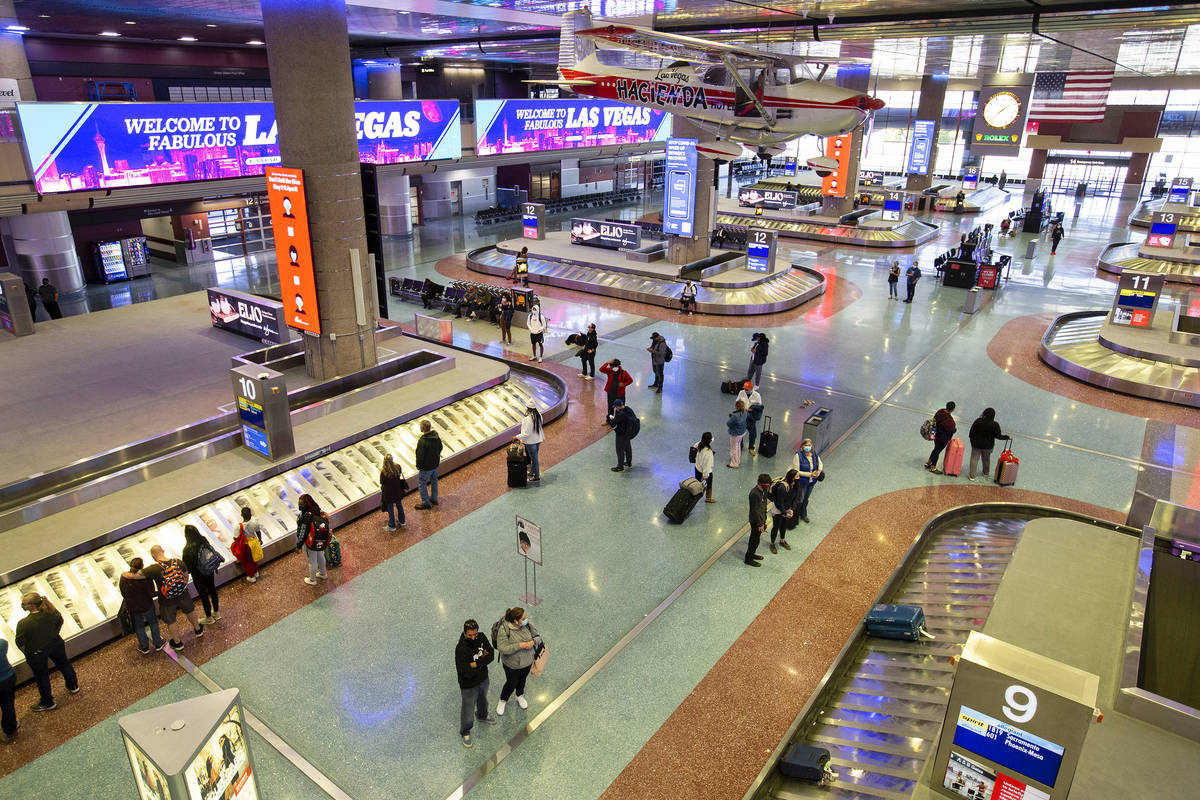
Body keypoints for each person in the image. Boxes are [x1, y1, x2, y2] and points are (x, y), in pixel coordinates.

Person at [15, 593, 79, 712]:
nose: (22, 605)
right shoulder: (51, 612)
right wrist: (54, 634)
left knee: (42, 676)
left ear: (32, 606)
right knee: (64, 664)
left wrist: (28, 652)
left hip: (37, 653)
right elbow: (60, 621)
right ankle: (73, 685)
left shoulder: (23, 623)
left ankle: (47, 702)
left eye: (24, 604)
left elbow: (20, 642)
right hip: (55, 644)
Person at [144, 545, 203, 650]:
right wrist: (181, 586)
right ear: (163, 551)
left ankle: (178, 643)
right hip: (182, 594)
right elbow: (186, 575)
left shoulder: (153, 569)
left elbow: (138, 575)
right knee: (190, 611)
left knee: (171, 620)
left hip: (166, 599)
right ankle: (198, 630)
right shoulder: (178, 562)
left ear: (153, 555)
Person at [455, 619, 497, 748]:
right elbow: (466, 672)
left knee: (483, 700)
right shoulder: (461, 649)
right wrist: (482, 661)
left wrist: (476, 664)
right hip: (468, 685)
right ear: (464, 633)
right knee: (468, 708)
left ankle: (482, 715)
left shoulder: (482, 637)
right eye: (470, 635)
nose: (473, 638)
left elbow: (491, 655)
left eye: (475, 634)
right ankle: (465, 731)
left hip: (483, 678)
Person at [494, 607, 540, 716]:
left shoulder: (527, 625)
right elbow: (502, 648)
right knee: (511, 683)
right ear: (515, 621)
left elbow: (538, 637)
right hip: (512, 665)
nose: (526, 619)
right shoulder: (504, 630)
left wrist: (533, 642)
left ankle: (519, 695)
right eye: (523, 618)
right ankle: (503, 700)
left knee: (522, 680)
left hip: (527, 662)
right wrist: (520, 645)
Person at [120, 558, 166, 654]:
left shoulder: (124, 578)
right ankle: (158, 643)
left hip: (133, 607)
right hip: (147, 605)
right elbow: (152, 593)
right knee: (153, 622)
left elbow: (123, 592)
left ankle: (144, 647)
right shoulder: (146, 578)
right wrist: (160, 592)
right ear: (142, 566)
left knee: (139, 626)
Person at [182, 524, 221, 625]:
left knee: (204, 595)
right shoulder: (203, 540)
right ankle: (216, 613)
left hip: (198, 575)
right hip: (209, 570)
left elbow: (186, 566)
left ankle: (209, 618)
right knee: (212, 590)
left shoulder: (187, 549)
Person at [295, 493, 331, 585]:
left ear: (306, 504)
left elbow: (302, 533)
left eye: (301, 504)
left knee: (312, 561)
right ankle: (323, 573)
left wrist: (298, 545)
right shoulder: (317, 511)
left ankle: (312, 580)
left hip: (309, 542)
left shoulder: (306, 517)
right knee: (320, 556)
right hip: (320, 540)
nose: (300, 506)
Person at [968, 407, 1012, 482]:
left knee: (974, 459)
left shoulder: (978, 421)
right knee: (986, 460)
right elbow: (998, 436)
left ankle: (972, 476)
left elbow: (971, 433)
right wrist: (1008, 437)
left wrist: (973, 442)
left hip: (976, 444)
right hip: (988, 446)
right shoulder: (995, 424)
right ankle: (986, 473)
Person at [791, 438, 823, 523]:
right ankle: (794, 516)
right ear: (802, 446)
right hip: (802, 482)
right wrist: (810, 474)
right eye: (806, 445)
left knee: (806, 498)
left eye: (809, 445)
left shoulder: (815, 454)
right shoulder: (798, 456)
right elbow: (796, 471)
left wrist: (819, 471)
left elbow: (820, 463)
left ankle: (803, 514)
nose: (808, 447)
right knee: (799, 499)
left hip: (812, 482)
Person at [768, 470, 800, 553]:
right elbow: (779, 502)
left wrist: (792, 509)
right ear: (792, 478)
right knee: (776, 527)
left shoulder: (796, 485)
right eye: (797, 476)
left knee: (784, 525)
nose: (799, 478)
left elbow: (796, 498)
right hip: (778, 509)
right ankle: (772, 543)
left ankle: (782, 541)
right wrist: (784, 513)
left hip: (787, 508)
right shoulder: (782, 487)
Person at [414, 419, 442, 509]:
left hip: (426, 467)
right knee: (434, 481)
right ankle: (434, 498)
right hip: (435, 464)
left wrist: (418, 466)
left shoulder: (422, 441)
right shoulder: (436, 437)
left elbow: (420, 455)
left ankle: (425, 502)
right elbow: (440, 447)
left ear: (422, 428)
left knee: (422, 483)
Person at [746, 473, 771, 566]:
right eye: (767, 485)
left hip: (761, 519)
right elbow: (754, 511)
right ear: (760, 483)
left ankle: (752, 554)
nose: (768, 487)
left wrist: (764, 520)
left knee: (756, 539)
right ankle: (748, 559)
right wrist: (760, 524)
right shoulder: (754, 494)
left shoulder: (764, 491)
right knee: (754, 540)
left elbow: (764, 506)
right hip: (755, 521)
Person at [925, 401, 957, 473]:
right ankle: (933, 467)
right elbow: (951, 430)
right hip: (942, 438)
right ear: (953, 409)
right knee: (937, 451)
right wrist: (955, 430)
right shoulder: (949, 420)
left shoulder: (940, 411)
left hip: (935, 434)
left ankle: (928, 462)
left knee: (935, 449)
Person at [606, 398, 637, 472]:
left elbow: (612, 424)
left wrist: (610, 418)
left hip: (621, 434)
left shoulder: (620, 414)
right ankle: (629, 463)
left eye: (616, 407)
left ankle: (620, 467)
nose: (615, 408)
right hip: (628, 433)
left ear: (618, 406)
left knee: (620, 450)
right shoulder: (629, 409)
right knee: (628, 448)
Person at [232, 507, 262, 583]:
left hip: (246, 545)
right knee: (254, 558)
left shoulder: (238, 526)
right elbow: (258, 532)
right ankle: (256, 572)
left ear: (242, 515)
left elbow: (235, 538)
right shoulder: (255, 522)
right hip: (254, 542)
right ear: (251, 514)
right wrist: (260, 540)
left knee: (247, 562)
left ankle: (251, 576)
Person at [516, 404, 544, 482]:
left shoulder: (528, 419)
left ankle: (537, 476)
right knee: (534, 457)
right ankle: (532, 472)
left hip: (531, 442)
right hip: (538, 440)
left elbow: (526, 433)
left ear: (528, 409)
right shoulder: (539, 415)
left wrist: (517, 437)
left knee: (534, 459)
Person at [380, 454, 407, 530]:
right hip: (397, 491)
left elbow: (382, 482)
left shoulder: (383, 472)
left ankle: (392, 525)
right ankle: (402, 521)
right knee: (399, 505)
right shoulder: (397, 467)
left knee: (390, 509)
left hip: (388, 494)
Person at [736, 381, 763, 455]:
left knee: (752, 433)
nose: (745, 390)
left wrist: (751, 409)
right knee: (740, 432)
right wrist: (741, 408)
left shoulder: (757, 395)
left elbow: (760, 407)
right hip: (742, 415)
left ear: (751, 388)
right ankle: (739, 446)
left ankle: (751, 448)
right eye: (745, 389)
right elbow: (737, 402)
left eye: (747, 389)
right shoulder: (741, 392)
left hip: (751, 417)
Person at [0, 633, 16, 742]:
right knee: (8, 704)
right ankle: (10, 729)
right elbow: (5, 643)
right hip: (8, 678)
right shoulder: (2, 644)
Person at [693, 431, 716, 503]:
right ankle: (708, 498)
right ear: (709, 440)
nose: (713, 438)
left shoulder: (699, 444)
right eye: (712, 437)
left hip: (697, 468)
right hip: (705, 471)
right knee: (709, 485)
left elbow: (694, 447)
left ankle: (694, 495)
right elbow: (707, 466)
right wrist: (706, 476)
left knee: (697, 482)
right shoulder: (708, 452)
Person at [726, 399, 749, 469]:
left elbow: (728, 423)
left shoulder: (735, 416)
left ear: (736, 407)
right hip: (742, 432)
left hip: (735, 434)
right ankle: (737, 460)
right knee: (738, 446)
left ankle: (734, 463)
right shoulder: (745, 412)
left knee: (733, 448)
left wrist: (732, 417)